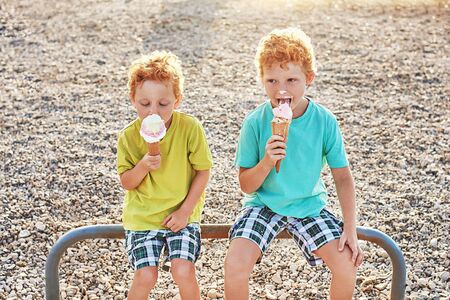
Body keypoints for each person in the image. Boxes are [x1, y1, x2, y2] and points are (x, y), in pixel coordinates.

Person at [224, 28, 364, 300]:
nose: (282, 89)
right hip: (263, 204)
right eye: (272, 81)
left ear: (308, 79)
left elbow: (343, 177)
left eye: (291, 79)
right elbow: (245, 185)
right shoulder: (255, 123)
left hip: (309, 205)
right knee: (234, 265)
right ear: (262, 81)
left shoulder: (324, 121)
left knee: (347, 265)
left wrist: (350, 227)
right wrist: (267, 161)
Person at [117, 50, 212, 300]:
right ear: (133, 99)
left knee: (183, 270)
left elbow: (203, 171)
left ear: (177, 100)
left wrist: (185, 212)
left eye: (163, 104)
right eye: (145, 104)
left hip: (182, 216)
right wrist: (144, 165)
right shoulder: (128, 136)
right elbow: (127, 182)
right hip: (143, 219)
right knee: (146, 275)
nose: (154, 112)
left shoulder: (190, 128)